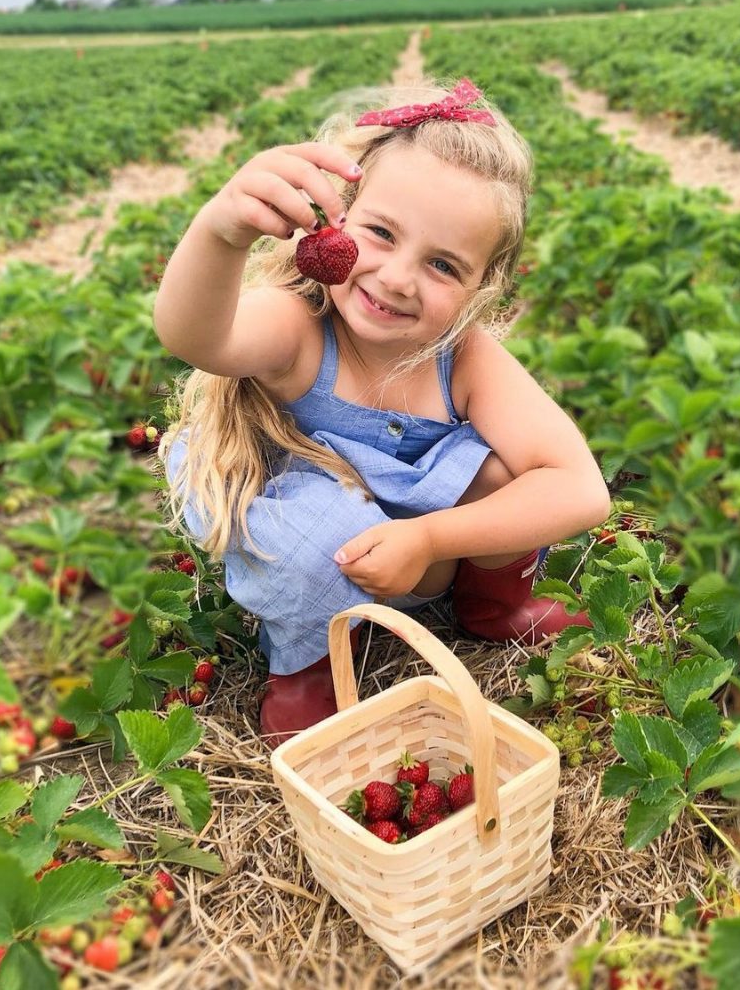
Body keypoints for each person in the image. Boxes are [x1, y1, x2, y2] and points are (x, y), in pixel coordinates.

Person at [154, 79, 609, 746]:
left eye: (443, 265)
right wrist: (221, 232)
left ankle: (496, 603)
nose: (398, 277)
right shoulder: (299, 328)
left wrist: (429, 540)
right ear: (334, 218)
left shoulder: (465, 356)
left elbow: (579, 488)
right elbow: (198, 338)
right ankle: (305, 667)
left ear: (483, 287)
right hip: (329, 538)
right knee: (317, 536)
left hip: (419, 551)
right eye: (380, 233)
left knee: (505, 473)